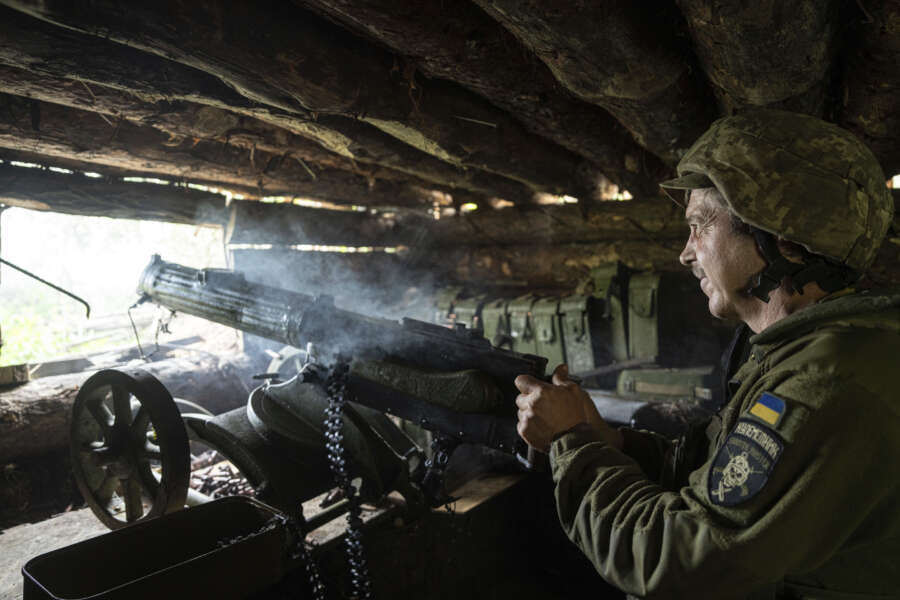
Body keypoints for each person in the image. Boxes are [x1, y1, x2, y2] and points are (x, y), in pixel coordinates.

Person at [514, 109, 899, 599]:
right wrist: (611, 442)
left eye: (700, 226)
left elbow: (680, 564)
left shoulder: (827, 380)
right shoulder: (806, 353)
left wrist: (573, 442)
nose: (686, 252)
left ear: (777, 236)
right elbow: (717, 480)